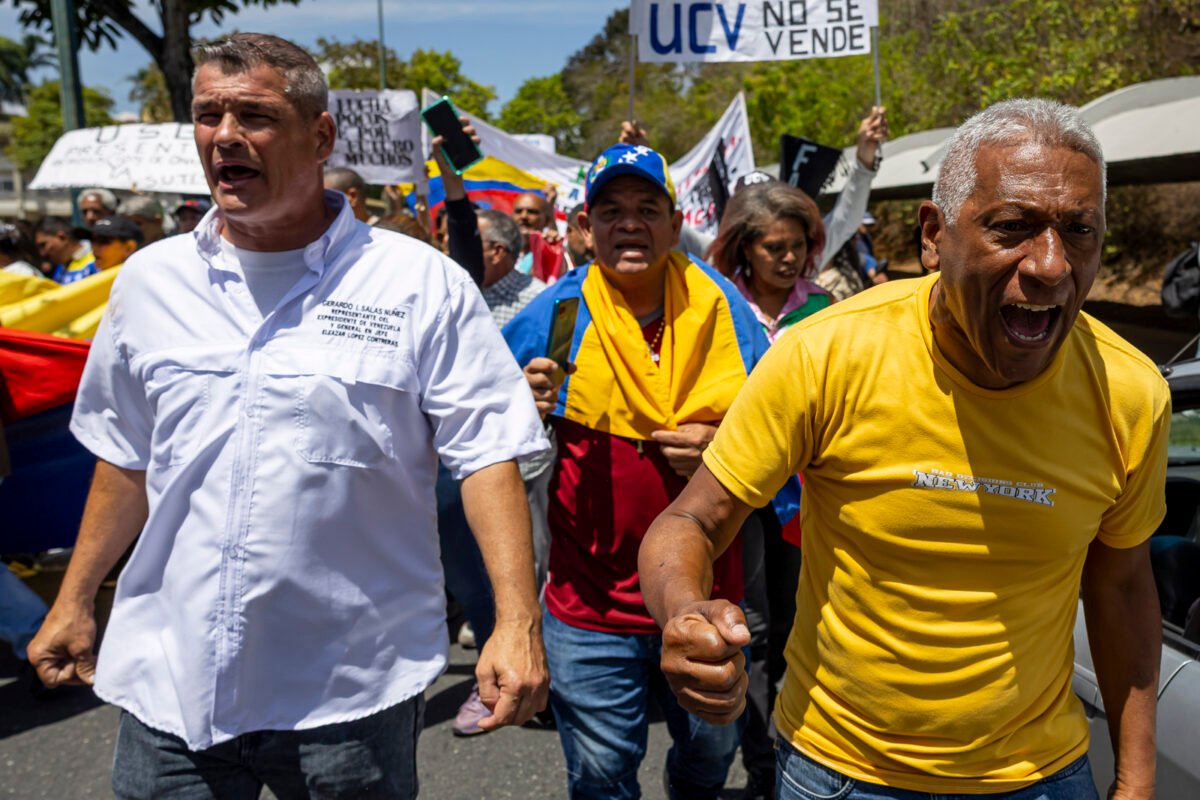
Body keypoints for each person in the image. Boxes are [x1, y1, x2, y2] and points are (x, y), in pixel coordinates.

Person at [27, 32, 550, 800]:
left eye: (256, 116)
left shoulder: (418, 285)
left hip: (349, 691)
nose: (226, 137)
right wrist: (74, 600)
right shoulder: (149, 283)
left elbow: (488, 455)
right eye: (209, 115)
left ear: (321, 135)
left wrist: (514, 620)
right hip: (172, 687)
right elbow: (125, 456)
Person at [640, 98, 1166, 800]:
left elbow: (1123, 584)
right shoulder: (824, 354)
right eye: (1012, 228)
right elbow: (692, 521)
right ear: (933, 235)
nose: (1049, 265)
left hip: (1040, 778)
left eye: (1080, 231)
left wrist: (1135, 780)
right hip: (837, 772)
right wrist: (683, 608)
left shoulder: (1130, 394)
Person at [503, 142, 797, 799]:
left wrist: (722, 440)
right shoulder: (554, 315)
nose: (629, 223)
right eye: (611, 211)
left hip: (705, 600)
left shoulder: (722, 306)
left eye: (647, 208)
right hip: (588, 609)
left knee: (707, 764)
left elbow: (782, 424)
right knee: (602, 776)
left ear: (673, 222)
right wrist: (521, 407)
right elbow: (480, 435)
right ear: (585, 228)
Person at [706, 179, 831, 799]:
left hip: (806, 498)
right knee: (748, 627)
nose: (788, 258)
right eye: (775, 247)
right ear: (743, 249)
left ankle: (792, 754)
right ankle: (761, 767)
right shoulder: (713, 304)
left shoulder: (828, 309)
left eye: (799, 246)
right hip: (733, 491)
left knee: (794, 625)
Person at [441, 208, 552, 736]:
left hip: (526, 464)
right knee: (471, 575)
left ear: (500, 253)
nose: (453, 247)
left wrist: (537, 389)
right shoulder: (449, 291)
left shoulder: (542, 300)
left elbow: (560, 373)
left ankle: (531, 678)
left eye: (468, 243)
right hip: (454, 466)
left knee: (523, 575)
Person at [35, 217, 97, 285]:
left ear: (62, 237)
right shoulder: (60, 268)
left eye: (43, 245)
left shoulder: (96, 261)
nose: (42, 253)